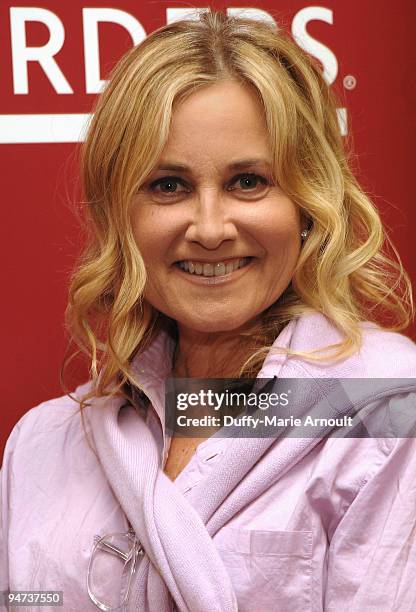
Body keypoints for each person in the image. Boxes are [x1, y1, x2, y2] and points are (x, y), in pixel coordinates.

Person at [1, 9, 416, 612]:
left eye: (249, 182)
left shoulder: (387, 412)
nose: (211, 228)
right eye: (168, 185)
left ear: (308, 203)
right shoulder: (43, 443)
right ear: (119, 213)